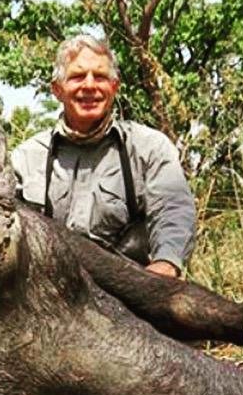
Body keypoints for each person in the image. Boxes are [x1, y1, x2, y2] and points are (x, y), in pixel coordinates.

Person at [11, 34, 195, 277]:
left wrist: (166, 263)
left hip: (129, 286)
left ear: (114, 87)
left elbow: (173, 208)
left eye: (100, 77)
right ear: (57, 89)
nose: (89, 86)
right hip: (49, 288)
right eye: (77, 77)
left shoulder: (148, 147)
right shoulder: (26, 157)